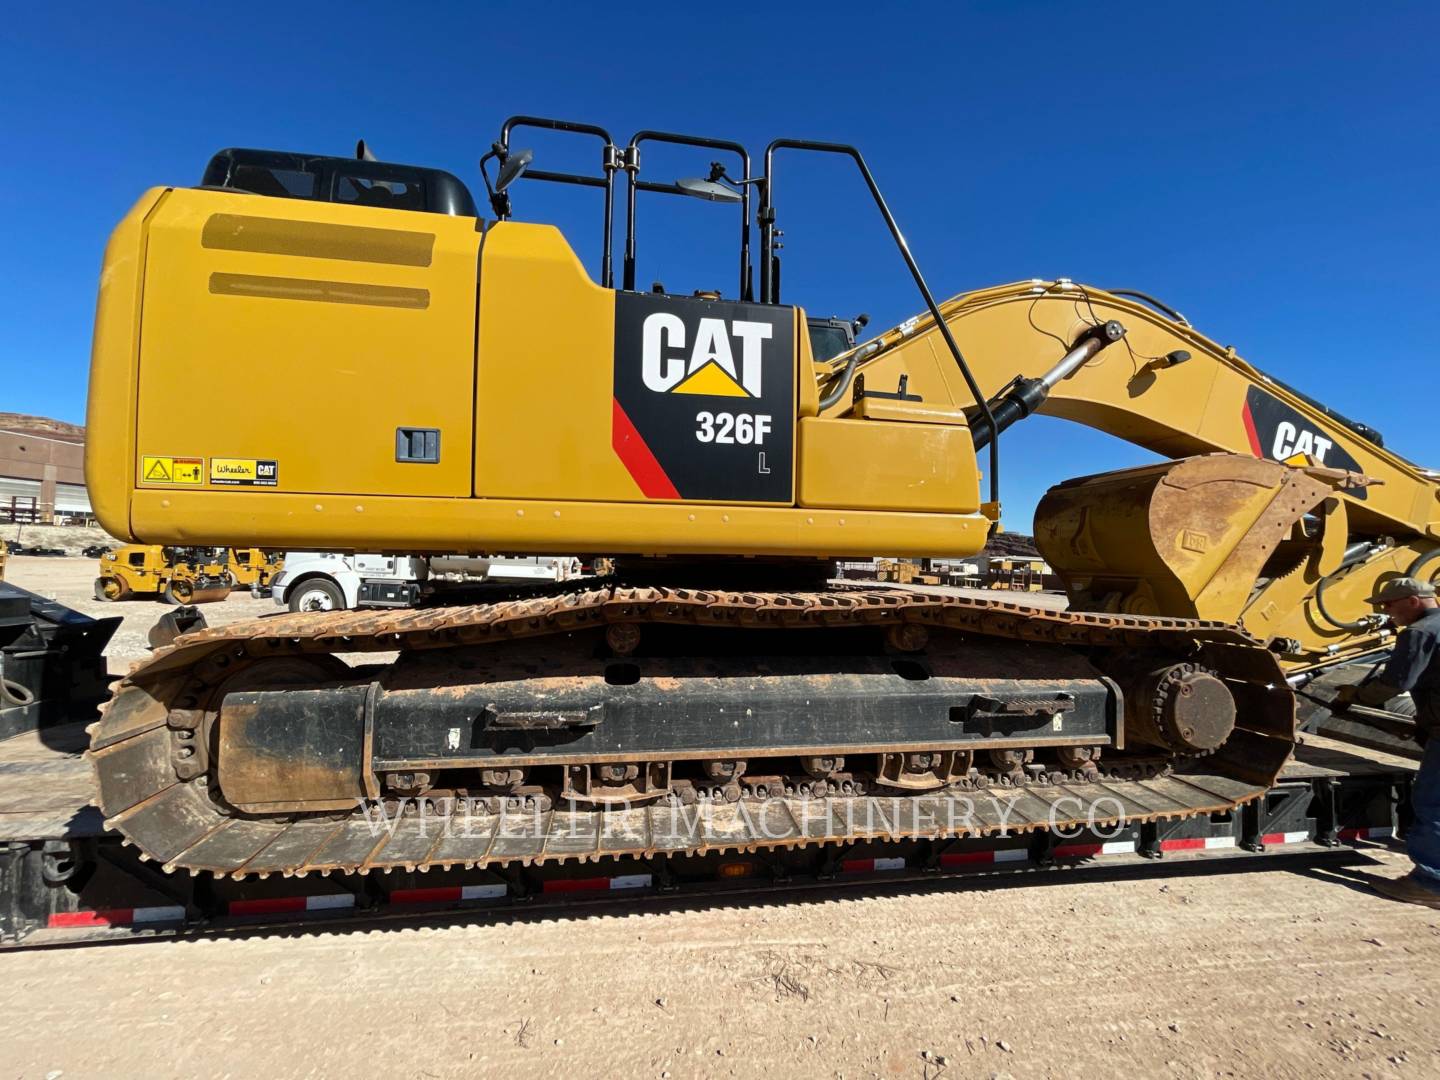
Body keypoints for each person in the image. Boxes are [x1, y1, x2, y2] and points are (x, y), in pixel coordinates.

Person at [1334, 576, 1440, 907]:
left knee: (1432, 803)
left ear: (1412, 600)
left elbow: (1396, 682)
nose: (1385, 612)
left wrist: (1358, 695)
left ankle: (1430, 883)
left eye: (1388, 604)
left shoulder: (1420, 632)